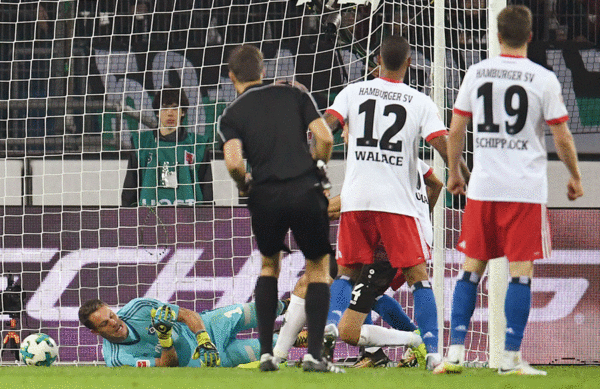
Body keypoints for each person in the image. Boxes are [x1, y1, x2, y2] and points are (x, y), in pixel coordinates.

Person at [434, 5, 584, 376]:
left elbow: (456, 129)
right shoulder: (543, 78)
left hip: (484, 186)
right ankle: (511, 357)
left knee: (471, 270)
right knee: (520, 272)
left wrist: (454, 171)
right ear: (530, 37)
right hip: (524, 189)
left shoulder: (476, 73)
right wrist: (575, 175)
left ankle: (454, 353)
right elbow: (561, 135)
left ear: (497, 36)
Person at [321, 35, 469, 372]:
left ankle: (330, 326)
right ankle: (432, 354)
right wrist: (465, 177)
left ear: (376, 60)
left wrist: (311, 164)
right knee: (418, 278)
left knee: (345, 274)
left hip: (356, 198)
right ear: (409, 63)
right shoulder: (419, 101)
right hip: (396, 203)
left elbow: (325, 129)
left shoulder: (352, 93)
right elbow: (441, 144)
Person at [218, 45, 342, 373]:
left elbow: (233, 161)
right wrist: (317, 165)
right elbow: (325, 138)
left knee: (269, 267)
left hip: (265, 195)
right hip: (305, 191)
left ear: (232, 77)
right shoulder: (295, 97)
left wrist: (244, 182)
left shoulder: (232, 115)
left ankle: (265, 354)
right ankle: (314, 355)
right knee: (317, 268)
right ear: (263, 71)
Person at [78, 297, 289, 368]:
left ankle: (295, 306)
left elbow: (186, 314)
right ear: (95, 332)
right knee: (276, 346)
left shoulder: (139, 307)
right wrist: (164, 338)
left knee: (262, 309)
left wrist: (203, 338)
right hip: (205, 360)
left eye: (112, 316)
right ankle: (307, 337)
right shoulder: (117, 358)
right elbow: (167, 365)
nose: (114, 322)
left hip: (207, 326)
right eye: (105, 324)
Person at [121, 88, 212, 206]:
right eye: (164, 107)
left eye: (175, 108)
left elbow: (207, 191)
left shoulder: (198, 145)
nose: (170, 113)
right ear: (157, 112)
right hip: (149, 217)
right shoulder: (142, 143)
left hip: (188, 218)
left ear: (183, 112)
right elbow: (130, 189)